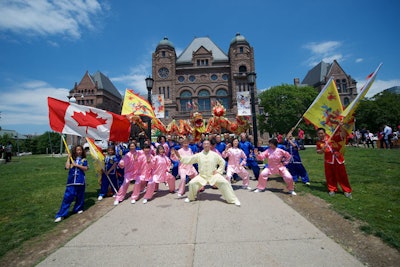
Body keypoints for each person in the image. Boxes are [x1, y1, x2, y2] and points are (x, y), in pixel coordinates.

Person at [172, 140, 241, 206]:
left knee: (225, 183)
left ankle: (233, 200)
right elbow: (189, 159)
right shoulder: (199, 155)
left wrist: (219, 171)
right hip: (202, 176)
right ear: (202, 145)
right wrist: (180, 157)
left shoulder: (214, 154)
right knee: (192, 183)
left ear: (210, 145)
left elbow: (222, 162)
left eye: (208, 144)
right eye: (205, 144)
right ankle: (191, 198)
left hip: (213, 176)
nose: (206, 145)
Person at [54, 145, 88, 222]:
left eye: (80, 150)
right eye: (77, 150)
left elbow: (86, 168)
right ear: (74, 151)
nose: (79, 151)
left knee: (80, 196)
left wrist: (77, 165)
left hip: (80, 180)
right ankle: (61, 214)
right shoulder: (71, 159)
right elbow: (67, 167)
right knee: (68, 197)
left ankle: (78, 208)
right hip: (71, 181)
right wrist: (68, 158)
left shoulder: (84, 159)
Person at [316, 127, 352, 198]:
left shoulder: (332, 138)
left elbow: (343, 135)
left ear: (324, 133)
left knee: (342, 176)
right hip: (328, 161)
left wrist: (341, 127)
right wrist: (323, 149)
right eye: (319, 134)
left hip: (338, 159)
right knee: (330, 176)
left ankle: (346, 190)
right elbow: (318, 152)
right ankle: (332, 189)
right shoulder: (319, 143)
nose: (320, 135)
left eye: (322, 133)